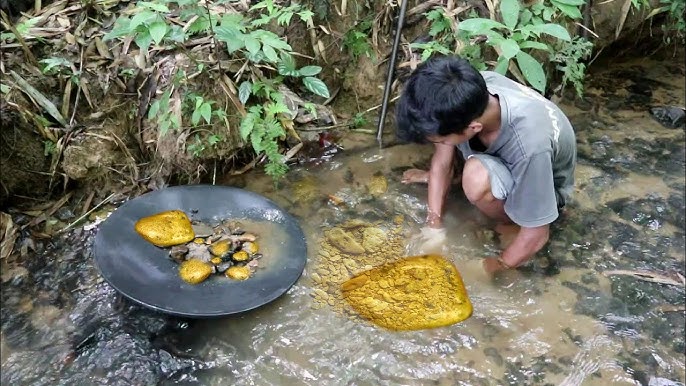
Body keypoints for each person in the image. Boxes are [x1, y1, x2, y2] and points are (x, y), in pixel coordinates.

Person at [395, 55, 577, 273]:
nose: (439, 144)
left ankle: (511, 222)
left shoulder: (530, 145)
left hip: (543, 185)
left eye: (441, 140)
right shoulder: (467, 93)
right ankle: (463, 178)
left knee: (476, 177)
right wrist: (433, 225)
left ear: (474, 128)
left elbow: (537, 234)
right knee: (463, 163)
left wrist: (492, 266)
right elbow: (443, 160)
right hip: (511, 160)